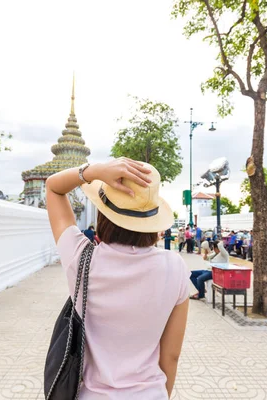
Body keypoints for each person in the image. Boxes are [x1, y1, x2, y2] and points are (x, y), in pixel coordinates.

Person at [45, 158, 190, 399]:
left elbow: (53, 187)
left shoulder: (82, 259)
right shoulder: (175, 267)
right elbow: (171, 355)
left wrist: (93, 171)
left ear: (103, 214)